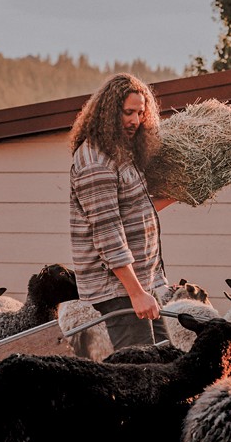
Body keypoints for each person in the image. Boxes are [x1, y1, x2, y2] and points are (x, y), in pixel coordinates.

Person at [69, 72, 176, 351]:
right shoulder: (95, 163)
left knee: (165, 359)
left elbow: (134, 210)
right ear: (107, 111)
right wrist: (137, 293)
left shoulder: (120, 153)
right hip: (120, 289)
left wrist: (179, 195)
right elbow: (108, 234)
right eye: (128, 112)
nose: (135, 121)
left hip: (139, 284)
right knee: (140, 372)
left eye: (140, 113)